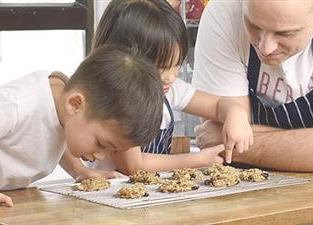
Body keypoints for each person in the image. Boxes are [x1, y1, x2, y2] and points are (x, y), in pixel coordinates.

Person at [60, 0, 253, 177]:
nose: (170, 77)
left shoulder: (169, 88)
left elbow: (218, 104)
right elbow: (133, 166)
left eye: (176, 65)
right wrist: (198, 160)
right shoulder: (119, 104)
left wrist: (234, 112)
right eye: (160, 68)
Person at [0, 44, 164, 213]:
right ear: (75, 104)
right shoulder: (21, 103)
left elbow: (57, 132)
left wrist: (79, 170)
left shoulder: (66, 110)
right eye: (101, 144)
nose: (100, 156)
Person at [192, 0, 313, 174]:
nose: (265, 48)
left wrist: (244, 145)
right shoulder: (223, 12)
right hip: (252, 188)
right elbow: (219, 144)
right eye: (254, 25)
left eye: (285, 33)